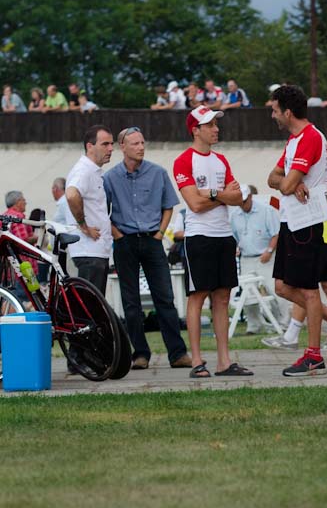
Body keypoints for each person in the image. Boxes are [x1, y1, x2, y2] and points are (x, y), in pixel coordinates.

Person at [267, 85, 327, 376]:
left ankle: (313, 355)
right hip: (292, 221)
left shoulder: (309, 138)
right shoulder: (294, 140)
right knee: (282, 286)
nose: (273, 116)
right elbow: (272, 178)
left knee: (308, 291)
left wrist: (289, 182)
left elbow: (282, 183)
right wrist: (291, 182)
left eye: (274, 110)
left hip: (307, 224)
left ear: (287, 111)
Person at [173, 106, 251, 378]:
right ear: (196, 129)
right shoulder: (184, 161)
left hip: (223, 236)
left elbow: (239, 197)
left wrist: (212, 192)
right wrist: (220, 194)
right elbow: (193, 203)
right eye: (210, 125)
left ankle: (224, 362)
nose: (216, 129)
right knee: (197, 297)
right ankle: (196, 361)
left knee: (222, 298)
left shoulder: (221, 161)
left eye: (216, 124)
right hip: (199, 238)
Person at [105, 126, 191, 370]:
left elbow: (168, 206)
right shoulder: (110, 178)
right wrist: (118, 236)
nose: (141, 147)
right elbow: (102, 212)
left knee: (165, 297)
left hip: (153, 240)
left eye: (143, 142)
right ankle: (140, 354)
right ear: (123, 147)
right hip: (125, 242)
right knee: (130, 301)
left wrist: (160, 233)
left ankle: (177, 353)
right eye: (135, 143)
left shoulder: (158, 173)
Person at [65, 125, 115, 295]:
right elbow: (72, 195)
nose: (111, 149)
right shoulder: (84, 170)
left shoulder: (92, 171)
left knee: (94, 304)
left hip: (96, 250)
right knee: (89, 306)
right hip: (89, 251)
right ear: (89, 146)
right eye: (105, 144)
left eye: (111, 144)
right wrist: (83, 225)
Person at [230, 185, 285, 334]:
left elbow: (276, 233)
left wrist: (269, 251)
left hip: (265, 257)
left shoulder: (266, 211)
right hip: (246, 257)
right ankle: (254, 325)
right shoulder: (235, 215)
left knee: (274, 290)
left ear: (250, 197)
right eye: (239, 201)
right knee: (249, 294)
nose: (242, 204)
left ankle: (284, 321)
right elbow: (234, 235)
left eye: (244, 201)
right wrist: (236, 247)